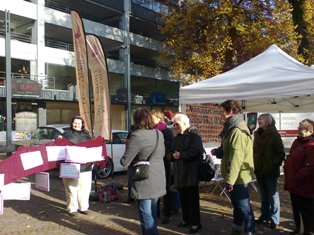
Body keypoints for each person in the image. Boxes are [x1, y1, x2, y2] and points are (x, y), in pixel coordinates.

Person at [120, 108, 166, 235]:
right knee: (152, 211)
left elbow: (125, 161)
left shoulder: (137, 135)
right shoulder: (159, 133)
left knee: (145, 213)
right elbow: (162, 153)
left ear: (136, 120)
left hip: (144, 177)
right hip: (158, 175)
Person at [215, 100, 255, 235]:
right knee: (237, 205)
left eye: (222, 111)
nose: (220, 115)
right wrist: (219, 151)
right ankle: (237, 227)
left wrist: (231, 180)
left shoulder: (237, 130)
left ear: (230, 111)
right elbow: (229, 150)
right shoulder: (231, 128)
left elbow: (237, 157)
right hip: (234, 174)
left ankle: (250, 230)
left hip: (238, 175)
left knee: (244, 206)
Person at [253, 113, 285, 229]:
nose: (259, 120)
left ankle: (274, 219)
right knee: (263, 195)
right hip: (259, 169)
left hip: (270, 170)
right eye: (258, 119)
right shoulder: (256, 134)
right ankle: (264, 216)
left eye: (261, 119)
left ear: (268, 121)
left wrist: (272, 164)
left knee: (272, 195)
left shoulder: (274, 135)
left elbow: (281, 153)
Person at [171, 113, 202, 233]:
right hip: (179, 172)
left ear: (185, 123)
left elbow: (196, 151)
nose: (175, 126)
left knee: (192, 199)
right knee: (183, 198)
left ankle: (196, 223)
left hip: (191, 172)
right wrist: (172, 156)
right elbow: (171, 151)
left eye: (177, 124)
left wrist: (181, 155)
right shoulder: (177, 137)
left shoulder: (194, 135)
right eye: (174, 124)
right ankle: (186, 219)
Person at [284, 119, 314, 235]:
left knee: (306, 212)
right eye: (299, 127)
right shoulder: (296, 142)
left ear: (310, 131)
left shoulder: (311, 145)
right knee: (296, 209)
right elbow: (291, 156)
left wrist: (297, 177)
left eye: (303, 129)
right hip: (294, 184)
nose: (299, 130)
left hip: (305, 186)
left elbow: (310, 167)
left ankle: (307, 231)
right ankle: (298, 230)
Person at [60, 116, 92, 217]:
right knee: (71, 189)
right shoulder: (66, 134)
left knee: (85, 188)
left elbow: (92, 148)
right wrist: (58, 139)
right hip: (70, 166)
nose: (77, 125)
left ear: (82, 124)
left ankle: (83, 207)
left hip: (85, 167)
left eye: (79, 123)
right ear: (72, 123)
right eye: (75, 123)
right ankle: (72, 208)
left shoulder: (87, 135)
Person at [150, 110, 175, 224]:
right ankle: (156, 213)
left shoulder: (166, 132)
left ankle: (168, 213)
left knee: (166, 189)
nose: (151, 120)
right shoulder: (152, 131)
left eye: (153, 118)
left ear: (159, 119)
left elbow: (168, 149)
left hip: (164, 164)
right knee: (155, 190)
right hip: (154, 164)